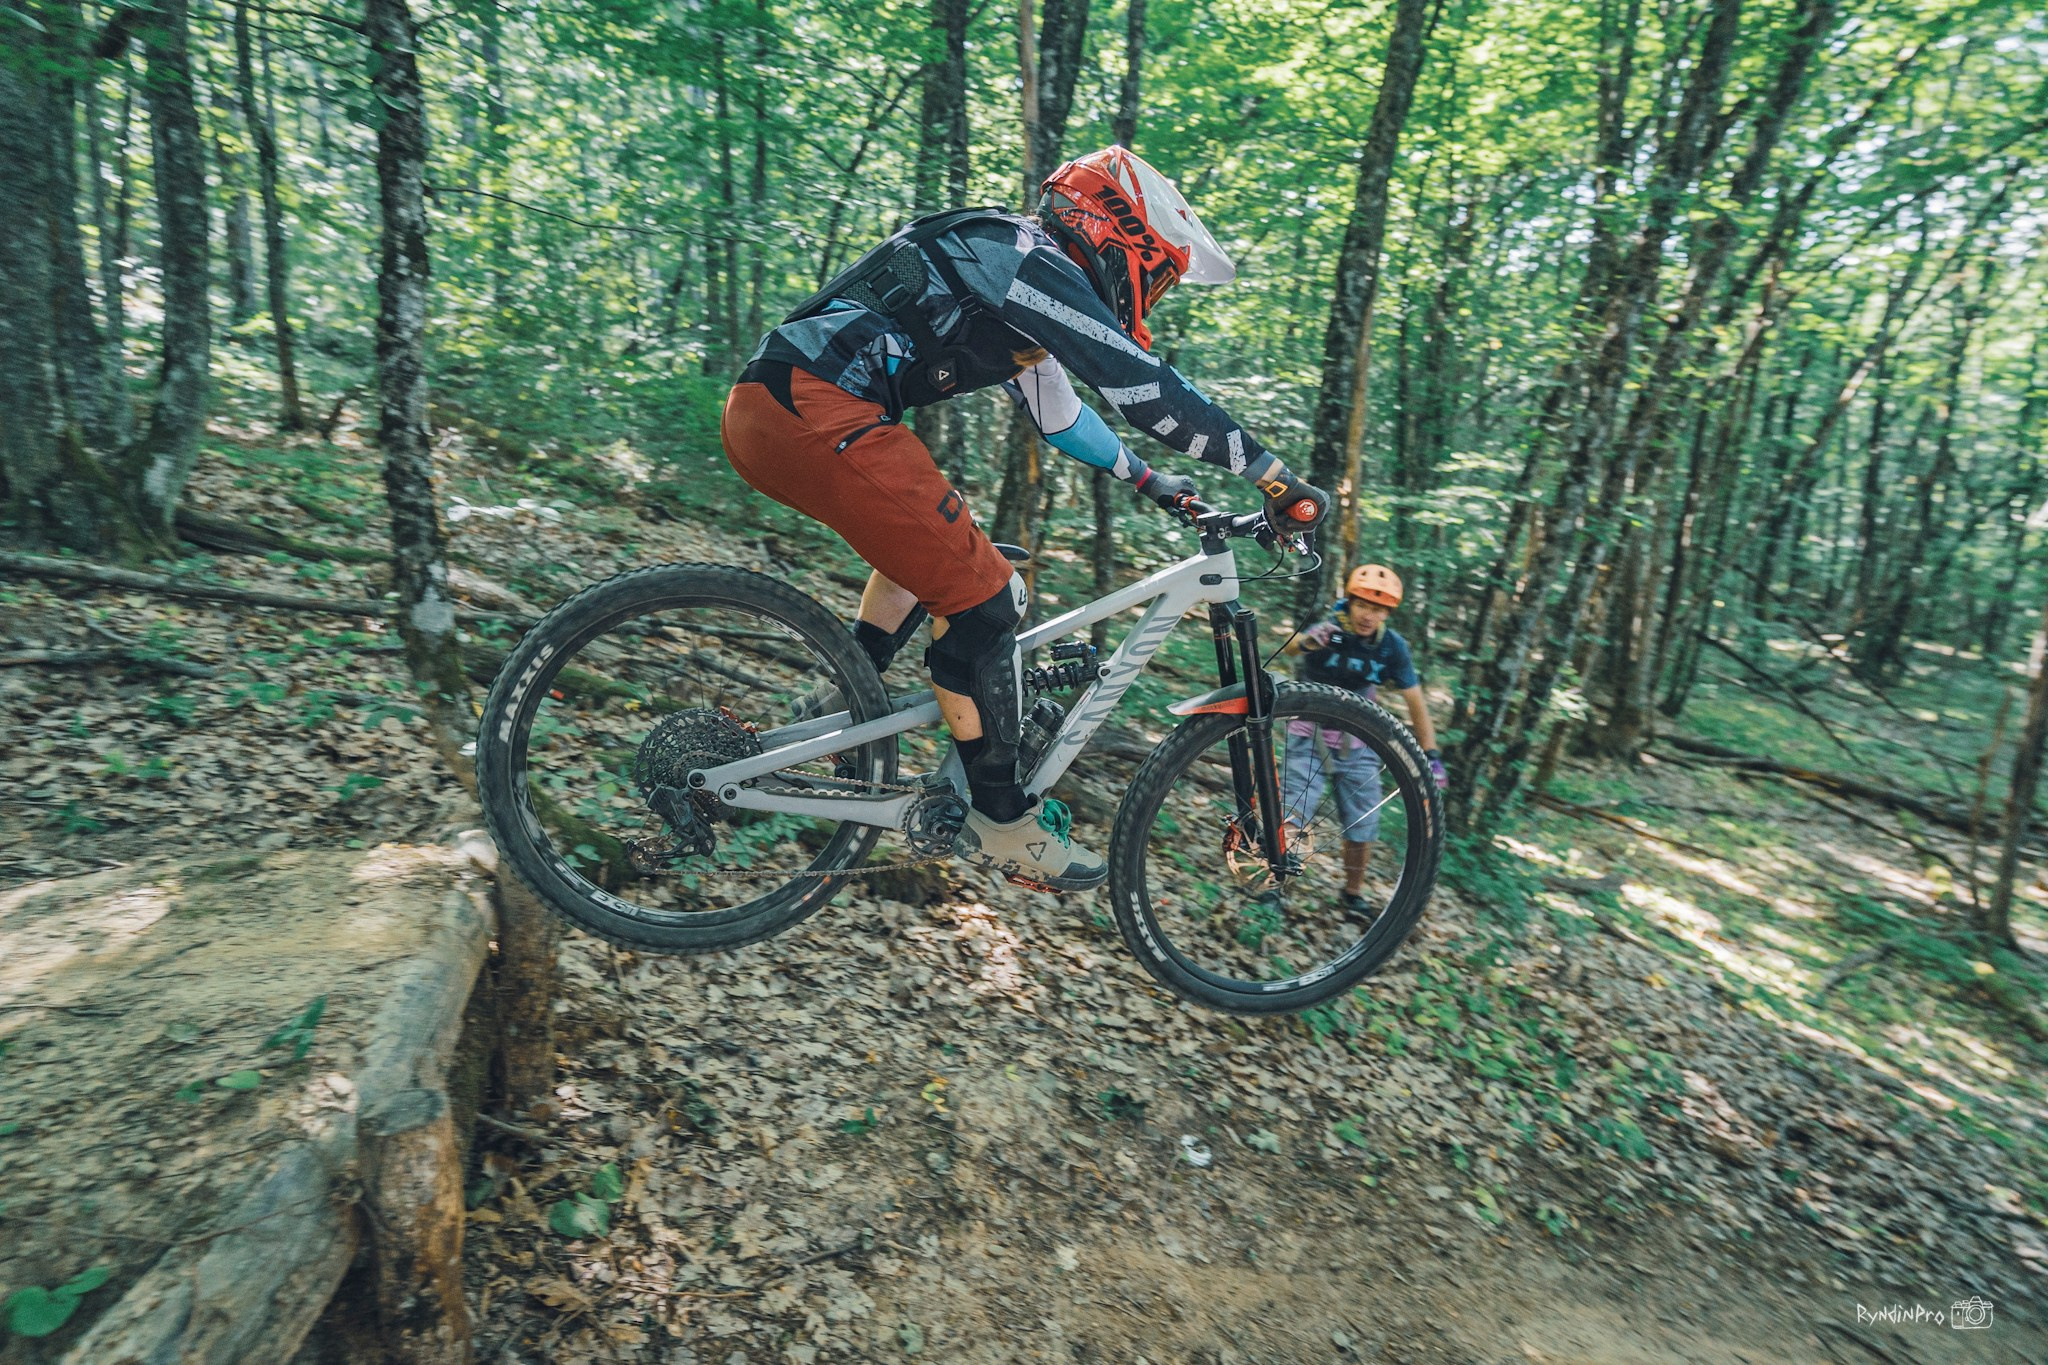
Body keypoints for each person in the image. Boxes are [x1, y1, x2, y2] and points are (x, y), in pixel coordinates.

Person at [720, 147, 1331, 892]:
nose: (1154, 295)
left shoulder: (1012, 264)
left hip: (783, 408)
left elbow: (1059, 413)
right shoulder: (1024, 258)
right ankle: (1001, 816)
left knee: (946, 541)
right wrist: (1274, 476)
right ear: (1119, 234)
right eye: (1160, 275)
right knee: (987, 595)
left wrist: (1152, 481)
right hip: (815, 411)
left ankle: (844, 694)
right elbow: (1145, 391)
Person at [1276, 564, 1445, 912]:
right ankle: (1272, 885)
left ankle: (1353, 895)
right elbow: (1289, 649)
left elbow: (1415, 700)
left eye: (1380, 609)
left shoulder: (1391, 648)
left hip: (1360, 741)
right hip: (1310, 733)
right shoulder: (1330, 629)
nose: (1371, 615)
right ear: (1350, 602)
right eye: (1364, 605)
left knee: (1362, 822)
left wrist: (1432, 755)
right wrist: (1310, 641)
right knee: (1295, 810)